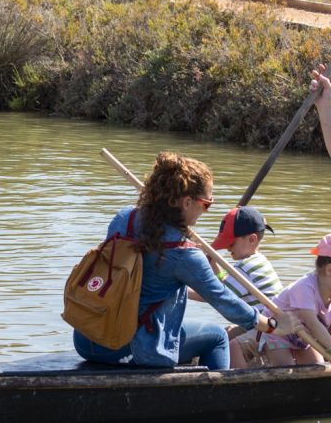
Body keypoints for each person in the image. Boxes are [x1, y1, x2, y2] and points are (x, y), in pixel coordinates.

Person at [72, 152, 299, 370]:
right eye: (207, 204)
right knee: (218, 337)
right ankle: (219, 400)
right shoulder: (184, 254)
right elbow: (225, 302)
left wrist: (181, 235)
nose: (206, 211)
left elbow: (149, 251)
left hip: (87, 336)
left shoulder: (124, 218)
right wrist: (274, 326)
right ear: (187, 202)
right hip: (130, 348)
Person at [191, 206, 283, 368]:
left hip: (269, 330)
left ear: (252, 239)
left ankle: (238, 379)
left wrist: (183, 291)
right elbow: (223, 283)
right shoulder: (256, 261)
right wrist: (212, 263)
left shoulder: (246, 267)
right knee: (226, 334)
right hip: (261, 325)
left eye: (231, 243)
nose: (227, 248)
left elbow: (217, 295)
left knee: (232, 347)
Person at [257, 234, 331, 366]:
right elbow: (313, 323)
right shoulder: (305, 287)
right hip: (277, 332)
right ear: (329, 269)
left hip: (304, 338)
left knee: (316, 368)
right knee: (286, 370)